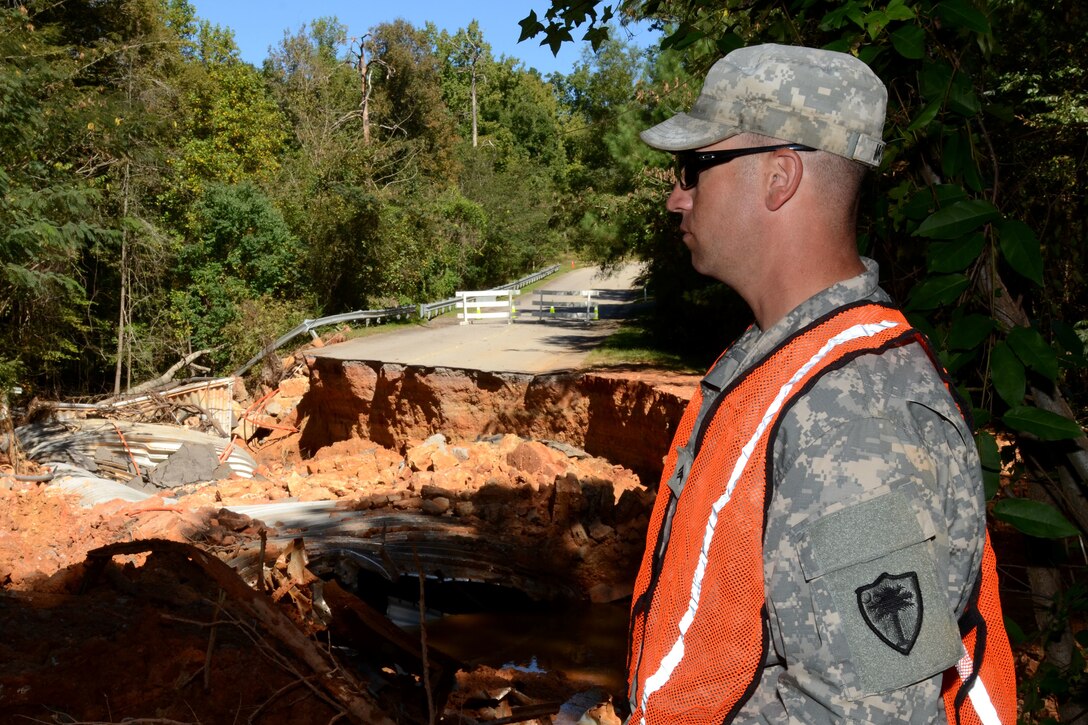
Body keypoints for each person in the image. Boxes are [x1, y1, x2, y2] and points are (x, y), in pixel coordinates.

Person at [625, 44, 1016, 724]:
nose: (675, 195)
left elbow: (879, 711)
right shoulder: (785, 362)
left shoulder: (854, 422)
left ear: (779, 176)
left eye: (696, 167)